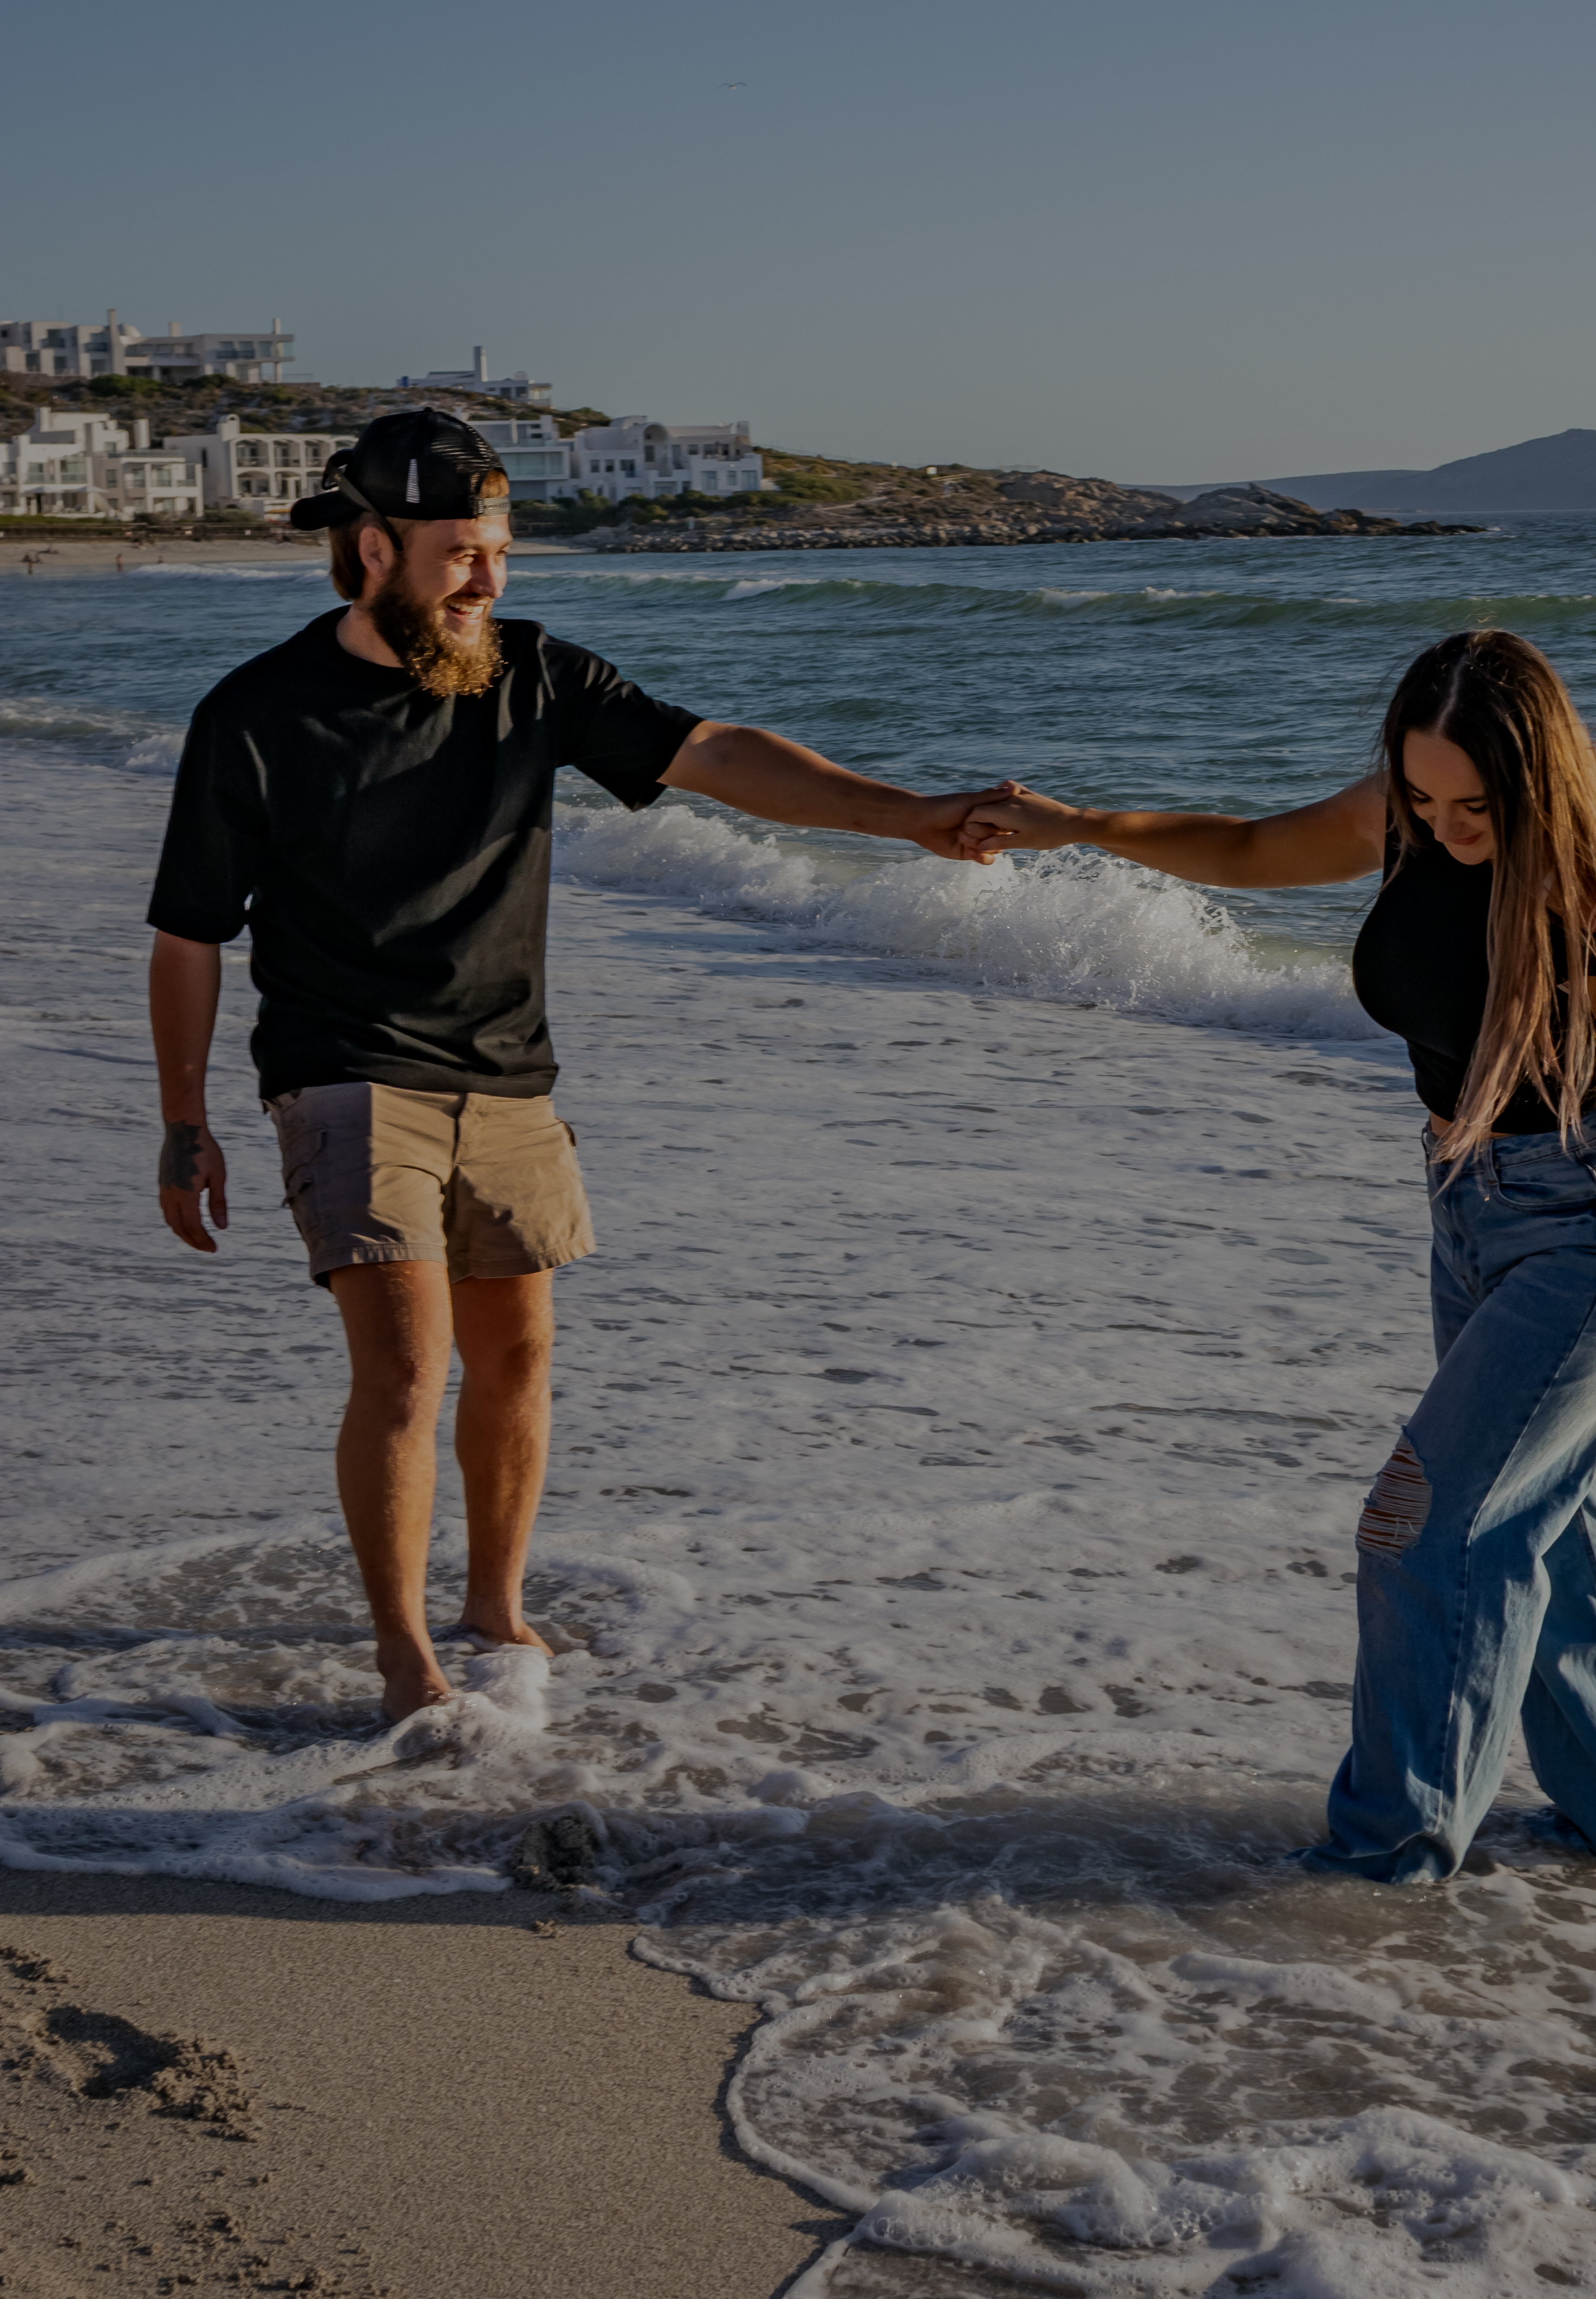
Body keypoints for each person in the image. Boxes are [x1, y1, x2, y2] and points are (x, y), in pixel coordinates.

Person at [148, 407, 1014, 1725]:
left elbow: (714, 754)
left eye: (500, 551)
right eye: (460, 554)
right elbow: (191, 936)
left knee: (519, 1355)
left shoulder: (532, 676)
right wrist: (181, 1123)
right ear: (372, 547)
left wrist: (905, 815)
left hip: (507, 1077)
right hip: (342, 1072)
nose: (489, 578)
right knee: (404, 1365)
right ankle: (402, 1659)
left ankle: (493, 1606)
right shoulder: (258, 715)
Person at [964, 628, 1596, 1882]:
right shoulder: (1401, 820)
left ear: (1534, 783)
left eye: (1476, 806)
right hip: (1467, 1216)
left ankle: (1384, 1864)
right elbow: (1254, 848)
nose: (1444, 824)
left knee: (1421, 1531)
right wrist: (1078, 825)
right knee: (1554, 1538)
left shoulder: (1585, 898)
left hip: (1583, 1237)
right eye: (1423, 798)